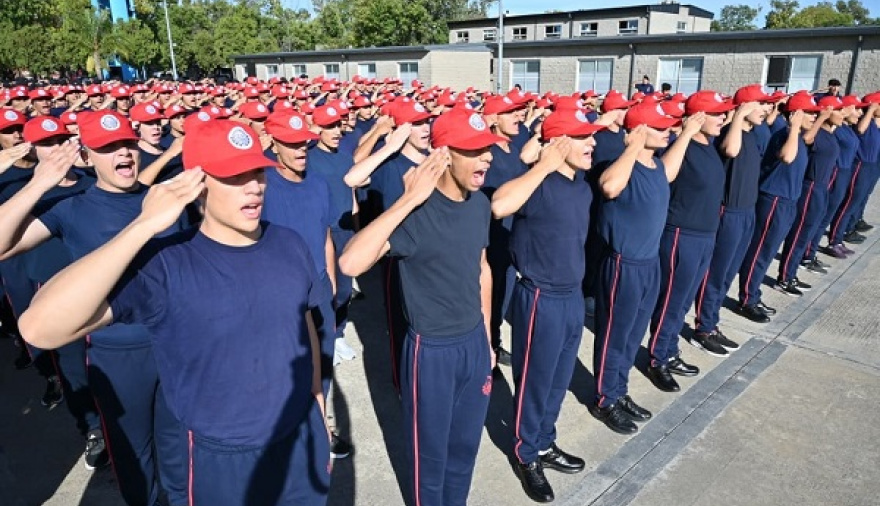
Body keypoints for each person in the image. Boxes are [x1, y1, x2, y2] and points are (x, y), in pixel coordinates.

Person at [19, 120, 332, 505]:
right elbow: (39, 328)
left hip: (300, 437)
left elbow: (302, 326)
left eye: (257, 172)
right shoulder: (167, 265)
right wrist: (143, 225)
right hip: (224, 458)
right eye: (234, 176)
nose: (254, 186)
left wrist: (317, 401)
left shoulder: (288, 242)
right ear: (197, 184)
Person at [0, 110, 189, 505]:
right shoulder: (72, 206)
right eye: (106, 148)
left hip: (175, 346)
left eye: (125, 143)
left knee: (179, 452)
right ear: (86, 156)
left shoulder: (164, 198)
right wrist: (40, 184)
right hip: (116, 352)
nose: (121, 153)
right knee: (132, 454)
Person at [339, 108, 500, 506]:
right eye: (474, 150)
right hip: (431, 353)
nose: (487, 158)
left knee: (463, 452)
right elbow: (350, 263)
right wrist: (408, 200)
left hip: (473, 346)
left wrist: (487, 337)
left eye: (487, 149)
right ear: (444, 155)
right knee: (428, 462)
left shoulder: (480, 204)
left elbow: (481, 270)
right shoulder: (414, 214)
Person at [491, 107, 604, 503]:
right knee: (534, 381)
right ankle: (526, 453)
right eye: (583, 137)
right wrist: (542, 164)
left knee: (557, 380)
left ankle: (544, 442)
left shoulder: (582, 186)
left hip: (571, 295)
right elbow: (500, 204)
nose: (593, 143)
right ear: (558, 144)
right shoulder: (536, 183)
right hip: (540, 296)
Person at [262, 109, 353, 459]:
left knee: (323, 365)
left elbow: (326, 235)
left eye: (304, 143)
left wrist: (329, 284)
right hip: (281, 294)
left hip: (317, 287)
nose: (301, 150)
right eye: (292, 143)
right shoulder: (264, 185)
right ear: (273, 143)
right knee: (285, 371)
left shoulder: (317, 183)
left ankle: (320, 427)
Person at [590, 101, 683, 434]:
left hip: (649, 264)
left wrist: (686, 133)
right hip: (623, 265)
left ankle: (620, 390)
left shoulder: (656, 165)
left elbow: (669, 171)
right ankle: (604, 399)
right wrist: (632, 146)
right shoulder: (622, 166)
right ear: (641, 131)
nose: (668, 131)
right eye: (661, 127)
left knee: (632, 337)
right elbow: (609, 186)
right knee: (615, 336)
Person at [344, 99, 432, 391]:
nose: (425, 128)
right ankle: (403, 383)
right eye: (416, 123)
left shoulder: (434, 159)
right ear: (401, 129)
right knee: (400, 324)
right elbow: (352, 177)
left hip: (431, 255)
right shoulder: (389, 165)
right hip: (398, 256)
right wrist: (389, 146)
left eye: (426, 121)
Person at [693, 85, 772, 353]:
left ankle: (713, 322)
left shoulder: (754, 133)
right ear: (746, 106)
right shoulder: (730, 132)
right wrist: (737, 116)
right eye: (761, 104)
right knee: (716, 273)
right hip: (730, 212)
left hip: (747, 210)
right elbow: (730, 150)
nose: (767, 109)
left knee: (729, 272)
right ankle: (704, 327)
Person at [737, 92, 818, 322]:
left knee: (769, 250)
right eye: (809, 113)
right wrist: (793, 127)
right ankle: (747, 299)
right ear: (795, 115)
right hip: (774, 199)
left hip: (788, 200)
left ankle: (753, 294)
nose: (813, 117)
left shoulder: (799, 136)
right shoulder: (786, 135)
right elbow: (787, 157)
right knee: (760, 251)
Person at [777, 97, 843, 294]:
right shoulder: (811, 131)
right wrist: (821, 118)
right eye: (812, 113)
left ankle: (792, 273)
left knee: (808, 232)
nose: (814, 116)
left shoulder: (828, 132)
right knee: (799, 233)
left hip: (822, 187)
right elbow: (807, 140)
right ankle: (785, 277)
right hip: (810, 187)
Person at [309, 103, 359, 363]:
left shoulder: (345, 155)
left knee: (345, 290)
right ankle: (326, 336)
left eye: (338, 125)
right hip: (323, 231)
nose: (336, 131)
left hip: (346, 229)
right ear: (316, 129)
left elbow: (351, 195)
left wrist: (357, 225)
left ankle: (338, 333)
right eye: (329, 126)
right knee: (327, 289)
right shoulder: (310, 159)